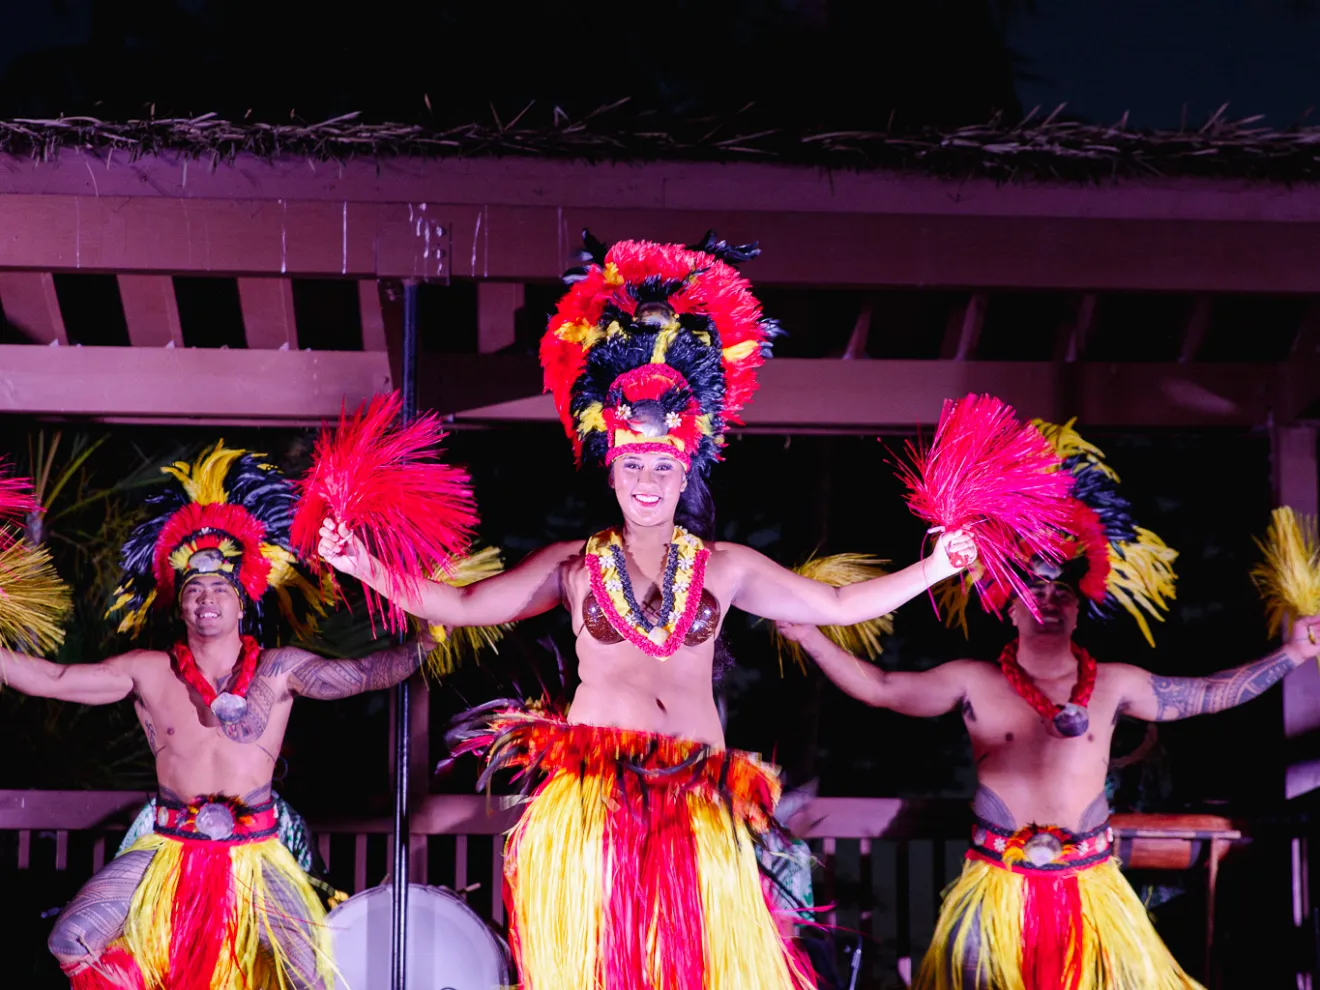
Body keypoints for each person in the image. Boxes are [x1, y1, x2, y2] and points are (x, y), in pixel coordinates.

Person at [315, 230, 979, 990]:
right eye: (633, 464)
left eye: (662, 465)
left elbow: (833, 600)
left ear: (684, 465)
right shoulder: (573, 568)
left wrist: (935, 566)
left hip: (700, 804)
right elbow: (463, 604)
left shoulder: (723, 569)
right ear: (613, 466)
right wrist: (359, 562)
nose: (647, 480)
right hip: (598, 801)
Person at [777, 420, 1316, 990]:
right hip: (996, 880)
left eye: (1063, 591)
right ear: (1008, 608)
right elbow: (882, 690)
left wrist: (1291, 654)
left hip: (1091, 884)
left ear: (1079, 609)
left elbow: (1209, 694)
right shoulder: (974, 681)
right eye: (1034, 590)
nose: (1049, 600)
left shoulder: (1114, 683)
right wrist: (811, 636)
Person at [0, 442, 428, 990]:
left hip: (257, 853)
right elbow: (55, 680)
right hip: (168, 848)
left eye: (220, 587)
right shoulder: (148, 671)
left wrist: (428, 639)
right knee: (72, 937)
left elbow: (364, 675)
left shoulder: (280, 670)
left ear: (243, 599)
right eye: (194, 588)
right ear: (178, 604)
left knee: (308, 975)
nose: (206, 598)